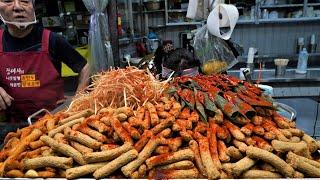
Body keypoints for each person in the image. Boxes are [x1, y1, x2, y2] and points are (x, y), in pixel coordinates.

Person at [0, 0, 90, 123]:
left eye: (24, 1)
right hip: (12, 126)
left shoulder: (53, 40)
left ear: (33, 7)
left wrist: (78, 99)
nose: (17, 7)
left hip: (54, 122)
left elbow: (85, 67)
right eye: (8, 1)